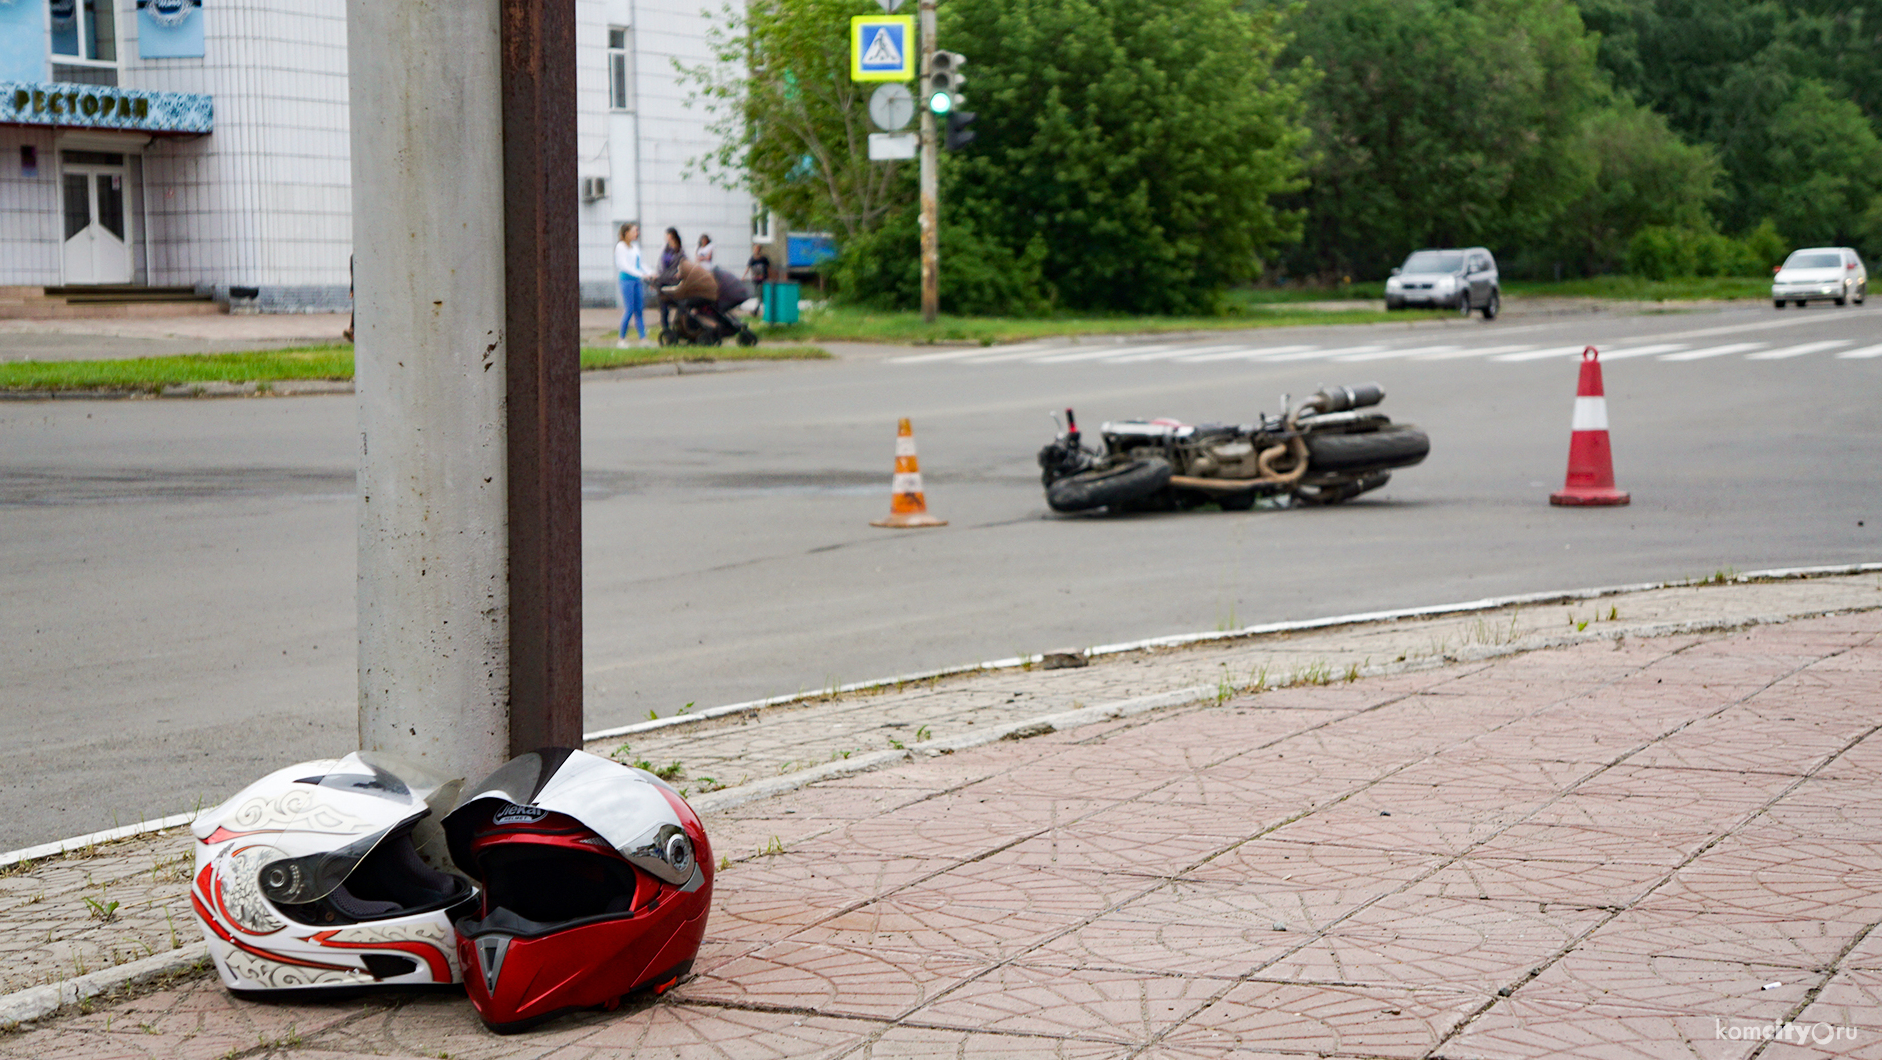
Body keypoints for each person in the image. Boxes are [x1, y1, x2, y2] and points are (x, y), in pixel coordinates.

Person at [658, 257, 720, 338]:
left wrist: (665, 291)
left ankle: (683, 326)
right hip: (709, 294)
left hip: (705, 296)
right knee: (687, 305)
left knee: (683, 304)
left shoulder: (687, 281)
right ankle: (686, 326)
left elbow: (679, 291)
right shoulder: (691, 277)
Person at [614, 222, 647, 347]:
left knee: (639, 309)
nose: (636, 233)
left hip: (637, 281)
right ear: (626, 233)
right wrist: (640, 274)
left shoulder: (635, 247)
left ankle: (643, 339)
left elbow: (640, 264)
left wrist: (650, 273)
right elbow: (624, 266)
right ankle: (621, 339)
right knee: (629, 309)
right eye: (634, 231)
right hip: (626, 280)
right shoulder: (620, 247)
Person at [745, 242, 771, 316]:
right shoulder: (752, 259)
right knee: (759, 295)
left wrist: (769, 277)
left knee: (760, 295)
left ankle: (756, 311)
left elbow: (768, 268)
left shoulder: (764, 259)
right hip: (756, 280)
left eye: (757, 249)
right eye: (755, 249)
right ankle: (756, 310)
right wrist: (744, 276)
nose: (756, 250)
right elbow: (748, 268)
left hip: (763, 280)